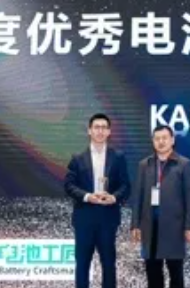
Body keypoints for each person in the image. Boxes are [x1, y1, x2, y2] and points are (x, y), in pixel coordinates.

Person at [64, 113, 131, 288]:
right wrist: (87, 196)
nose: (100, 131)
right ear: (89, 130)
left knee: (109, 264)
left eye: (104, 128)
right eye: (96, 127)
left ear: (109, 132)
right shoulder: (77, 158)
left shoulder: (118, 157)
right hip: (84, 219)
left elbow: (126, 186)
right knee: (82, 265)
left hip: (108, 219)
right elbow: (69, 185)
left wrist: (113, 197)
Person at [131, 124, 190, 288]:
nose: (161, 142)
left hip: (174, 228)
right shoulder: (144, 165)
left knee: (176, 274)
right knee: (153, 274)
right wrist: (135, 224)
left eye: (165, 138)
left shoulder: (184, 164)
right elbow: (138, 196)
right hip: (150, 228)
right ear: (153, 141)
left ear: (172, 140)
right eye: (157, 139)